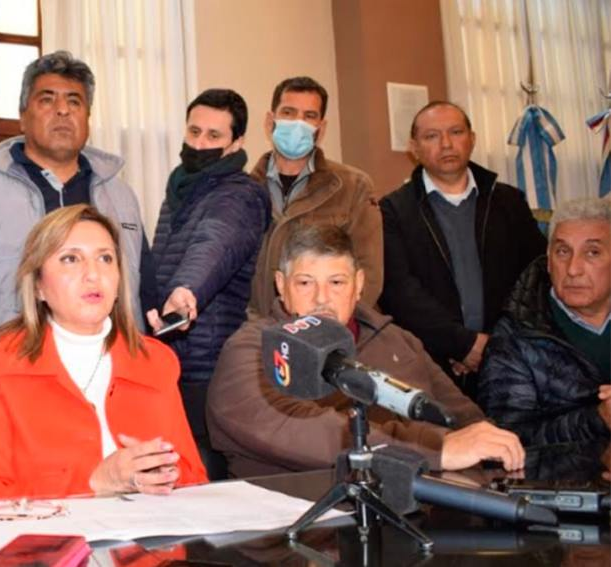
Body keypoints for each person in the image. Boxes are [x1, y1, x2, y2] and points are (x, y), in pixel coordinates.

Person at [207, 224, 525, 478]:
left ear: (358, 285)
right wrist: (436, 450)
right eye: (305, 283)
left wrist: (492, 445)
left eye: (336, 283)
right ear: (281, 285)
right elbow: (297, 428)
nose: (321, 298)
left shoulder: (397, 340)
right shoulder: (251, 350)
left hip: (424, 508)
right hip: (300, 523)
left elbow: (462, 417)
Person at [0, 50, 156, 380]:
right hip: (9, 380)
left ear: (88, 118)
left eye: (75, 101)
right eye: (47, 100)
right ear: (22, 117)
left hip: (112, 379)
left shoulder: (120, 195)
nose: (63, 110)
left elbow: (144, 289)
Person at [0, 205, 207, 502]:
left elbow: (194, 480)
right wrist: (94, 481)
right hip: (45, 533)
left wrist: (164, 475)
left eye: (105, 258)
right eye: (70, 259)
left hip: (148, 529)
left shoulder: (154, 360)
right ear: (38, 286)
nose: (93, 274)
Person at [380, 101, 546, 397]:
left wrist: (493, 344)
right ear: (414, 147)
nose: (446, 144)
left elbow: (535, 277)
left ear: (472, 138)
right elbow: (399, 291)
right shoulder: (392, 210)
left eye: (456, 132)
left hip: (511, 361)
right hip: (432, 365)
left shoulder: (509, 202)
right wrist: (461, 344)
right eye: (431, 136)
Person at [149, 88, 270, 479]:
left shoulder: (240, 194)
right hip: (172, 355)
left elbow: (214, 243)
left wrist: (187, 290)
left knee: (205, 475)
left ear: (236, 142)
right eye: (194, 132)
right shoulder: (180, 190)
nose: (200, 144)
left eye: (214, 136)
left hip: (209, 364)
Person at [478, 197, 610, 446]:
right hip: (569, 471)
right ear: (548, 261)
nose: (573, 269)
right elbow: (506, 442)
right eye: (562, 252)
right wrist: (598, 418)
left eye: (592, 253)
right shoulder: (515, 337)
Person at [248, 76, 382, 316]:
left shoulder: (353, 187)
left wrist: (330, 328)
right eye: (288, 113)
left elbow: (368, 275)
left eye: (309, 116)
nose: (298, 124)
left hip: (325, 327)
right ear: (270, 122)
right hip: (256, 328)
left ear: (321, 129)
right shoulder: (243, 190)